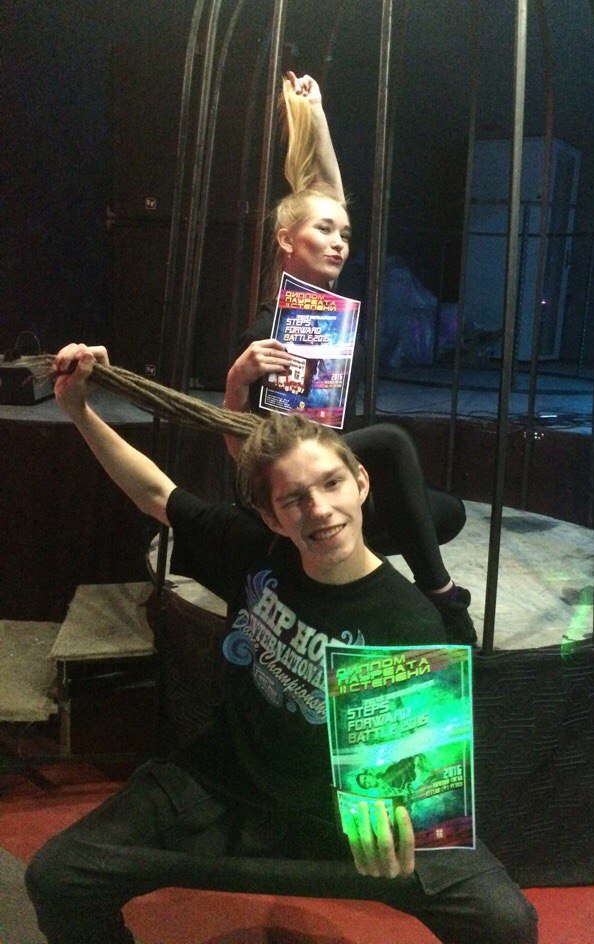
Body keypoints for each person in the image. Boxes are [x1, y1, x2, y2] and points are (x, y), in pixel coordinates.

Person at [25, 343, 538, 944]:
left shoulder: (411, 623)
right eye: (294, 499)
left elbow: (420, 779)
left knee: (504, 923)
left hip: (347, 818)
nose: (319, 510)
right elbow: (155, 493)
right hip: (226, 782)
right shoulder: (256, 551)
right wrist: (79, 411)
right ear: (271, 517)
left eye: (331, 483)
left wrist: (405, 824)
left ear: (361, 482)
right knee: (59, 875)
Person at [224, 72, 476, 644]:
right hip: (286, 476)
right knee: (388, 443)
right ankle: (442, 597)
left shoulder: (325, 309)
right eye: (324, 231)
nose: (339, 241)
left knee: (447, 512)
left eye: (345, 234)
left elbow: (331, 198)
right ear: (287, 240)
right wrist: (236, 383)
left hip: (331, 468)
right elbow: (243, 458)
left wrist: (316, 115)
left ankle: (332, 549)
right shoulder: (269, 326)